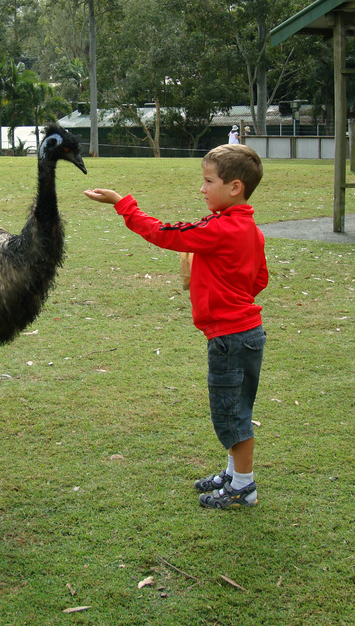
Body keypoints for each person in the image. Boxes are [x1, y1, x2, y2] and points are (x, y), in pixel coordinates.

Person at [84, 144, 268, 509]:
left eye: (208, 181)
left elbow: (165, 233)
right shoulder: (250, 229)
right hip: (245, 333)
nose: (202, 189)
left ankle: (243, 487)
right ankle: (233, 474)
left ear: (234, 188)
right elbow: (259, 277)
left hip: (230, 338)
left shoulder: (220, 229)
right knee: (234, 409)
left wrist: (123, 203)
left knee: (232, 415)